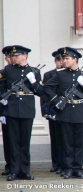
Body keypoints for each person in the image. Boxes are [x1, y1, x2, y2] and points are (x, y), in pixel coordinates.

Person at [44, 47, 83, 179]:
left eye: (67, 58)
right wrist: (56, 100)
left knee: (79, 142)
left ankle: (78, 168)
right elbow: (47, 87)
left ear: (75, 59)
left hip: (80, 110)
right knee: (66, 142)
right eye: (63, 58)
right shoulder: (60, 74)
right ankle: (68, 168)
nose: (64, 61)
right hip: (65, 111)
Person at [0, 45, 44, 181]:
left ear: (25, 56)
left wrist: (33, 81)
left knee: (25, 142)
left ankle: (25, 171)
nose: (14, 58)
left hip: (27, 109)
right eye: (12, 56)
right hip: (12, 109)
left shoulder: (34, 71)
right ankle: (14, 171)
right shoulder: (8, 70)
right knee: (13, 142)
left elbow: (41, 92)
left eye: (17, 55)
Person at [40, 51, 63, 174]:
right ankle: (56, 163)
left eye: (62, 60)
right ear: (55, 61)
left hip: (65, 110)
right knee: (55, 139)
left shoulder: (68, 74)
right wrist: (45, 111)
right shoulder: (49, 75)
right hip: (53, 110)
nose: (61, 62)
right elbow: (44, 95)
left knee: (65, 139)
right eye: (59, 60)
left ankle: (65, 164)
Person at [0, 46, 13, 176]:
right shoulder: (3, 73)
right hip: (5, 110)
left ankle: (15, 166)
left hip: (15, 109)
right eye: (8, 57)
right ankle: (9, 165)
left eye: (11, 57)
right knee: (8, 140)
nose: (10, 59)